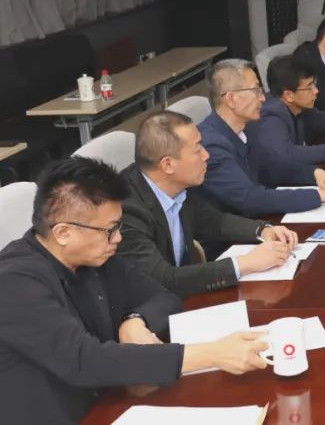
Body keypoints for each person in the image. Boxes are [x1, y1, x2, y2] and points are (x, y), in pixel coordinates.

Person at [0, 157, 271, 424]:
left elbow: (164, 297)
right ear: (63, 233)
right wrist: (212, 354)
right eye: (110, 229)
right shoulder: (14, 283)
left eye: (118, 226)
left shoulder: (95, 256)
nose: (118, 238)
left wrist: (135, 320)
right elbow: (85, 361)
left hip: (113, 402)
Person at [117, 111, 299, 298]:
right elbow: (163, 279)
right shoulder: (126, 210)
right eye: (197, 149)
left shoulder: (176, 185)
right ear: (168, 165)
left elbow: (214, 222)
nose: (206, 155)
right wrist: (245, 263)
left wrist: (262, 230)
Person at [196, 59, 325, 216]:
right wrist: (320, 196)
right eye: (255, 90)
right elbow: (250, 198)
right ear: (232, 99)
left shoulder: (243, 129)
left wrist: (314, 174)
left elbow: (269, 167)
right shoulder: (211, 146)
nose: (263, 98)